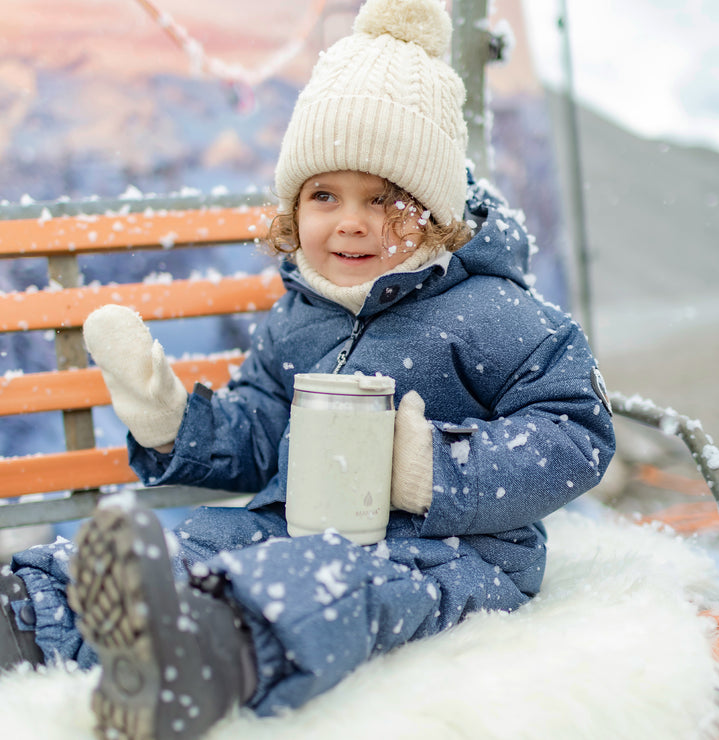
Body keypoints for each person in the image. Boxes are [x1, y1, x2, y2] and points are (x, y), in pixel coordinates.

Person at [0, 1, 615, 738]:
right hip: (291, 522)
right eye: (325, 195)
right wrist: (173, 423)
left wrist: (433, 471)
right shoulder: (304, 312)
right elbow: (259, 426)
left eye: (384, 199)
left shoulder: (491, 311)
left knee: (329, 584)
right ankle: (27, 616)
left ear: (437, 212)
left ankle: (198, 659)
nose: (350, 220)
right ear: (296, 207)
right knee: (192, 543)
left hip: (448, 553)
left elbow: (576, 430)